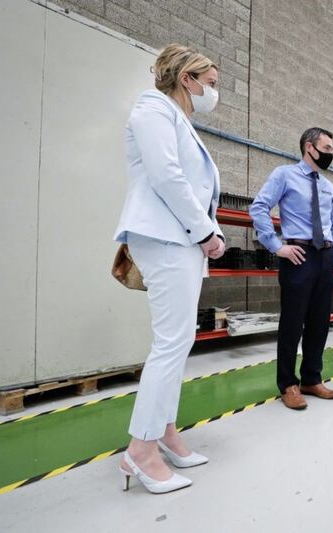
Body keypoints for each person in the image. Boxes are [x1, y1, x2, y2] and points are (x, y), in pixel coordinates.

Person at [113, 44, 226, 493]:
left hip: (179, 238)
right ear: (188, 80)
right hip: (166, 236)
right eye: (211, 85)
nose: (213, 93)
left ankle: (165, 430)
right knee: (170, 342)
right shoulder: (152, 109)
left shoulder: (177, 118)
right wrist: (205, 232)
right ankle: (139, 451)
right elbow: (168, 177)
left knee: (180, 341)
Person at [250, 128, 333, 410]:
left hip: (325, 256)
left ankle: (312, 378)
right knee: (292, 323)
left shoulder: (327, 186)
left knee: (320, 322)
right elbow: (259, 208)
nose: (331, 153)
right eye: (327, 147)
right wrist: (276, 246)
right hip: (297, 255)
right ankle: (288, 384)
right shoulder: (284, 175)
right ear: (309, 147)